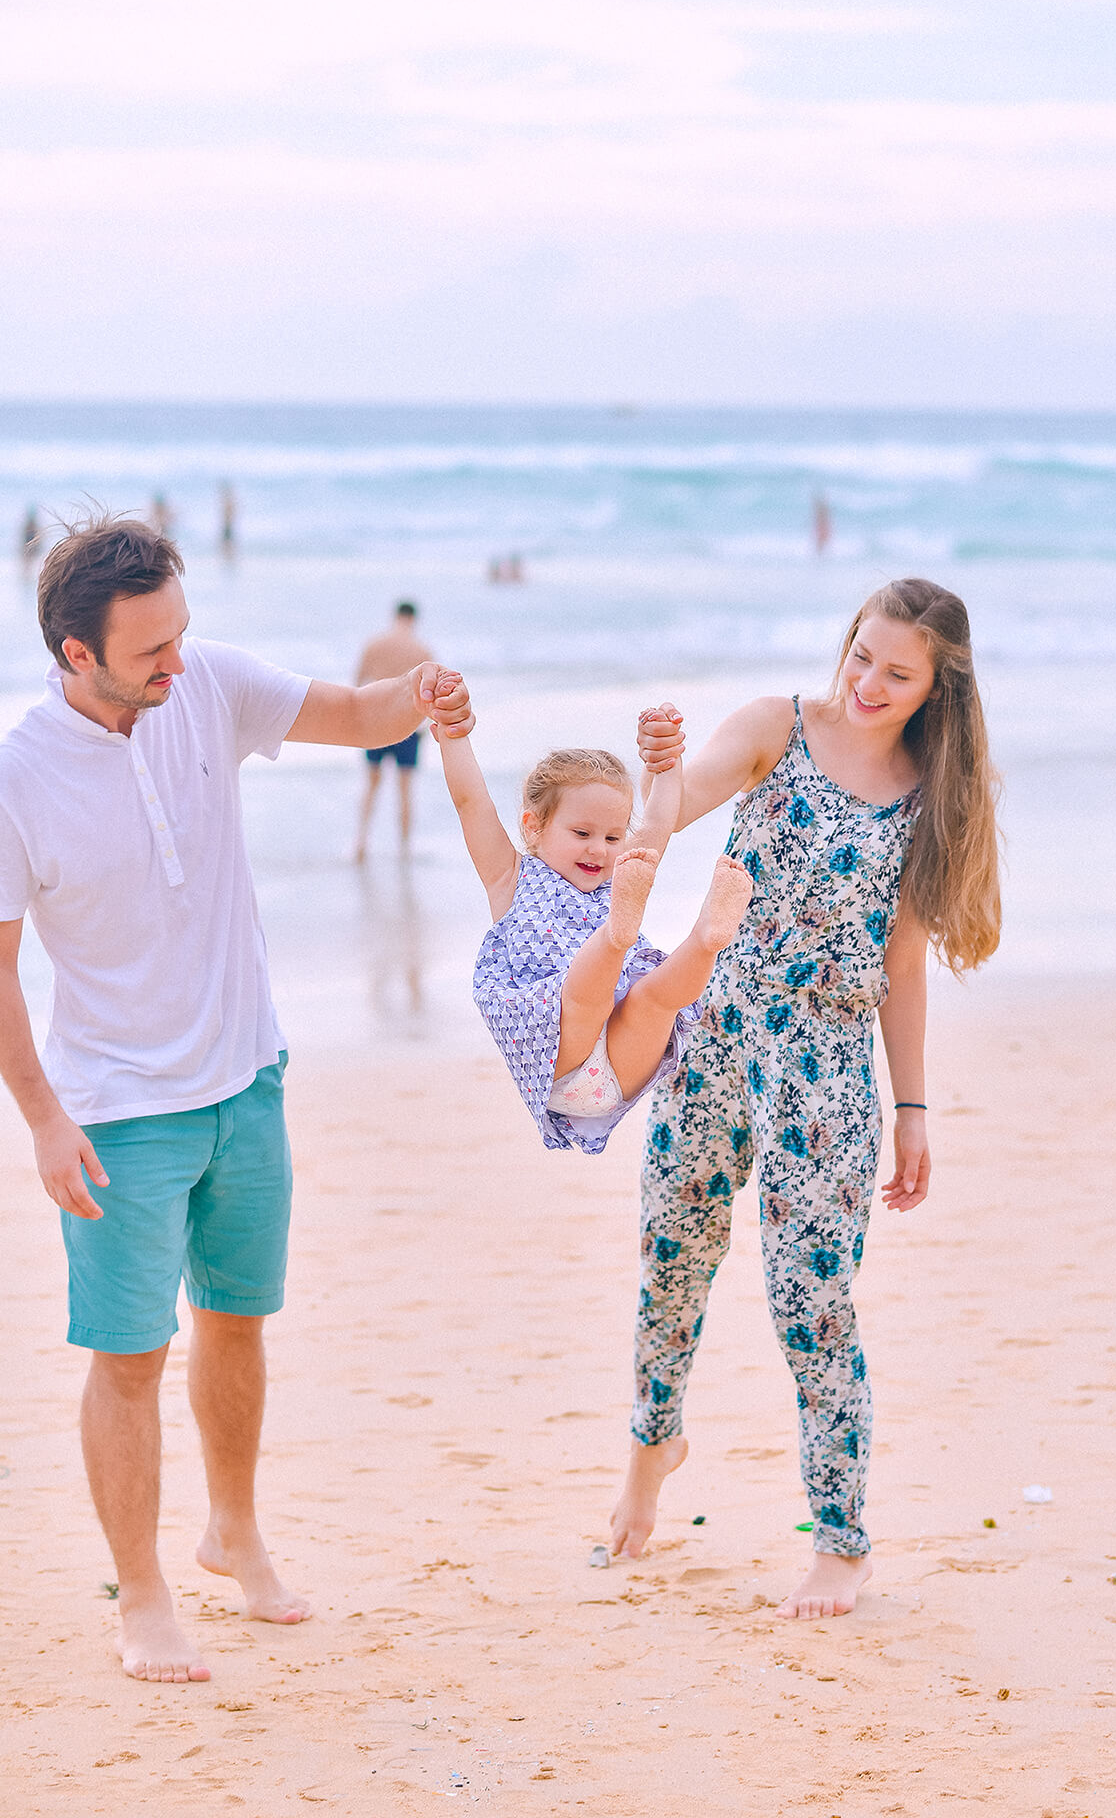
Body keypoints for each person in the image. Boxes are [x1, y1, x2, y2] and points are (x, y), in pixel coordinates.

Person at [0, 513, 452, 1685]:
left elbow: (356, 714)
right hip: (117, 1112)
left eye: (182, 634)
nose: (177, 662)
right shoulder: (17, 777)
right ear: (73, 652)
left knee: (239, 1319)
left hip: (248, 1077)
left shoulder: (208, 687)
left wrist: (423, 688)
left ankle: (232, 1530)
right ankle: (142, 1593)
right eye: (151, 648)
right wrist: (45, 1115)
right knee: (129, 1354)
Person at [609, 577, 1001, 1621]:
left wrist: (912, 1108)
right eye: (861, 655)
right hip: (718, 1027)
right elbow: (665, 816)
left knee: (809, 1303)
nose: (868, 682)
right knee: (672, 1254)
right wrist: (653, 768)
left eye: (897, 672)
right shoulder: (774, 727)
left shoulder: (931, 792)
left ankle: (840, 1541)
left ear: (935, 686)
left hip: (826, 1069)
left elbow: (903, 964)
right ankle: (653, 1445)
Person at [431, 680, 752, 1156]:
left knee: (655, 998)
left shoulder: (623, 873)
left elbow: (661, 820)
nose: (599, 849)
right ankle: (616, 939)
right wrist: (454, 734)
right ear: (533, 826)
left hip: (620, 1069)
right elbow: (470, 802)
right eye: (582, 832)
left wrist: (666, 763)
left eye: (612, 836)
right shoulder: (510, 877)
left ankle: (707, 938)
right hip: (561, 1059)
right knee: (583, 996)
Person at [354, 601, 435, 862]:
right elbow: (431, 695)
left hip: (376, 722)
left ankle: (361, 842)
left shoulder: (374, 645)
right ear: (413, 619)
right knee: (405, 788)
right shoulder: (422, 650)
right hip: (407, 726)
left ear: (395, 616)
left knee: (371, 784)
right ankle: (404, 848)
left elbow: (357, 686)